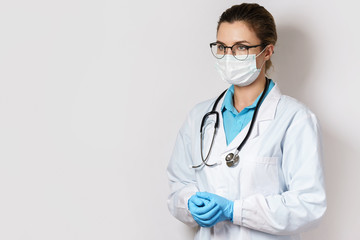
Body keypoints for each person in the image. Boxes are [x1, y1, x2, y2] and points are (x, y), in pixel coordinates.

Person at [167, 3, 326, 240]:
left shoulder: (295, 119)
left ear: (267, 52)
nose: (228, 56)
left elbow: (308, 204)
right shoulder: (199, 117)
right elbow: (177, 186)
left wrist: (235, 211)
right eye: (222, 47)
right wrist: (189, 202)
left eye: (241, 47)